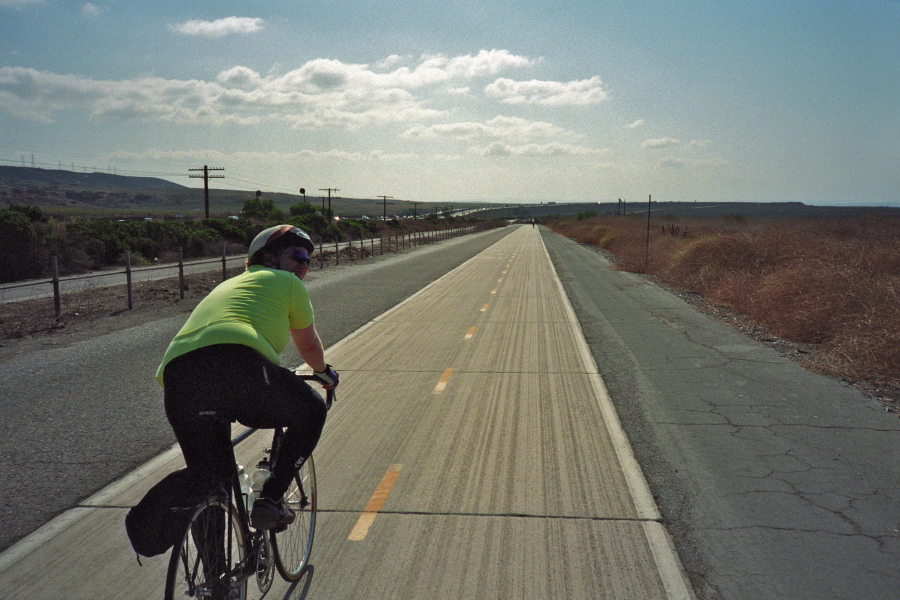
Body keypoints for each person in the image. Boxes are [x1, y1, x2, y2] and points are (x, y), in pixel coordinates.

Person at [156, 224, 338, 530]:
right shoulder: (287, 282)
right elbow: (308, 344)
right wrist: (324, 373)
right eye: (297, 256)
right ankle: (271, 500)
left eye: (308, 261)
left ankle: (215, 575)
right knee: (311, 410)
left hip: (178, 378)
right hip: (237, 363)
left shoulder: (227, 286)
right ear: (267, 257)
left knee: (211, 483)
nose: (303, 266)